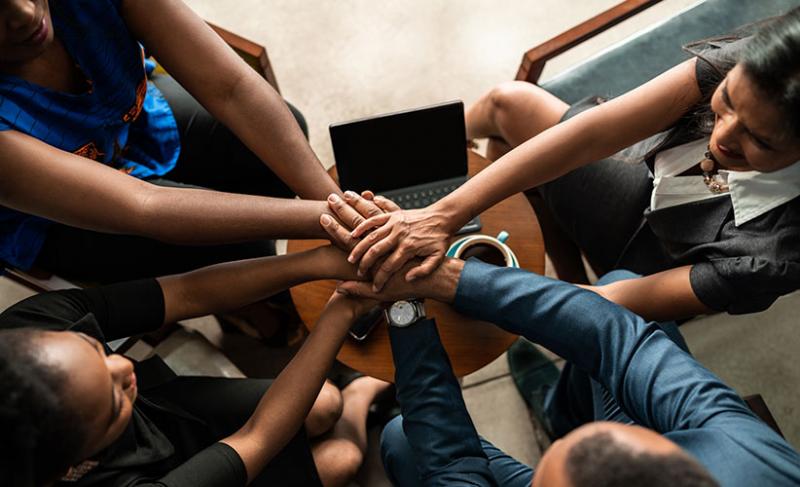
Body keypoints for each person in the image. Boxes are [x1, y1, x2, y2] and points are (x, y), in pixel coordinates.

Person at [328, 7, 800, 322]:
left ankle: (546, 259)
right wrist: (441, 214)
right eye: (726, 101)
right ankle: (409, 170)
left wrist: (452, 282)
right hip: (643, 187)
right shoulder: (762, 65)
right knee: (507, 104)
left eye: (758, 139)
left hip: (654, 269)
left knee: (572, 307)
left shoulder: (772, 256)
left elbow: (611, 302)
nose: (721, 136)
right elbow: (595, 134)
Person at [334, 259, 800, 487]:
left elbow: (452, 461)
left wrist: (405, 314)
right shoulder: (745, 455)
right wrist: (443, 278)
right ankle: (559, 411)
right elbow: (617, 340)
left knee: (402, 436)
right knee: (620, 290)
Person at [0, 0, 342, 286]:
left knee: (279, 146)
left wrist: (336, 204)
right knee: (246, 246)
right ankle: (253, 313)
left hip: (133, 123)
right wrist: (331, 220)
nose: (24, 14)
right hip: (56, 216)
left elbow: (231, 89)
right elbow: (147, 207)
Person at [0, 243, 393, 487]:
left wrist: (318, 262)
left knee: (323, 403)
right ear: (76, 465)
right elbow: (254, 438)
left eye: (96, 349)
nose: (124, 367)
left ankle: (349, 395)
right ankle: (361, 392)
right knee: (343, 461)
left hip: (159, 412)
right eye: (114, 397)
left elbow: (186, 293)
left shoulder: (34, 324)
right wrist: (342, 310)